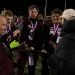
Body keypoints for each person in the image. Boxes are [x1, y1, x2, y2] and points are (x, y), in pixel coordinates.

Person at [17, 5, 44, 75]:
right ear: (28, 12)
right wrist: (21, 43)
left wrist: (38, 47)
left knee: (32, 67)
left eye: (35, 12)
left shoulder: (40, 23)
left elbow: (40, 37)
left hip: (34, 49)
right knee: (20, 67)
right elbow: (18, 31)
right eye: (32, 12)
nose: (34, 13)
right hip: (24, 48)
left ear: (37, 13)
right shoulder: (24, 21)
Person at [50, 9, 75, 75]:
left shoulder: (68, 37)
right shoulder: (69, 33)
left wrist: (51, 61)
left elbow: (63, 62)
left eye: (62, 18)